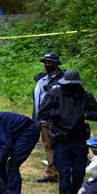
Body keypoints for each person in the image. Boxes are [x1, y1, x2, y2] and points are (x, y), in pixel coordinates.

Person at [38, 69, 97, 194]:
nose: (71, 86)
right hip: (61, 140)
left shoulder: (84, 96)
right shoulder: (54, 94)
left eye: (74, 83)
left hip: (78, 141)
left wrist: (85, 113)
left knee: (79, 174)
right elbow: (42, 112)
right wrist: (58, 113)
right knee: (65, 173)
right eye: (69, 83)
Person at [33, 52, 64, 183]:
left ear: (56, 63)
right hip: (44, 119)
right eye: (45, 62)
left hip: (59, 120)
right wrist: (36, 119)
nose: (47, 65)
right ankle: (52, 174)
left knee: (61, 147)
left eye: (50, 62)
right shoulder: (41, 80)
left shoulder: (63, 80)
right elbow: (37, 100)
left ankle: (64, 172)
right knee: (48, 146)